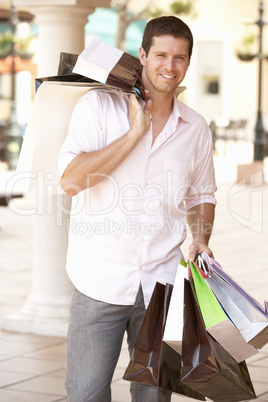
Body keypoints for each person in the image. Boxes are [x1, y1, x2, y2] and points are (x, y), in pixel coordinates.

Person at [58, 15, 217, 402]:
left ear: (188, 63)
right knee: (86, 394)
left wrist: (200, 238)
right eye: (161, 54)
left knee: (154, 397)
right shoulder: (98, 106)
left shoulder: (195, 127)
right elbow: (71, 182)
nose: (169, 66)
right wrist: (134, 134)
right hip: (100, 282)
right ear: (142, 55)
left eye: (180, 58)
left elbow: (202, 195)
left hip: (161, 286)